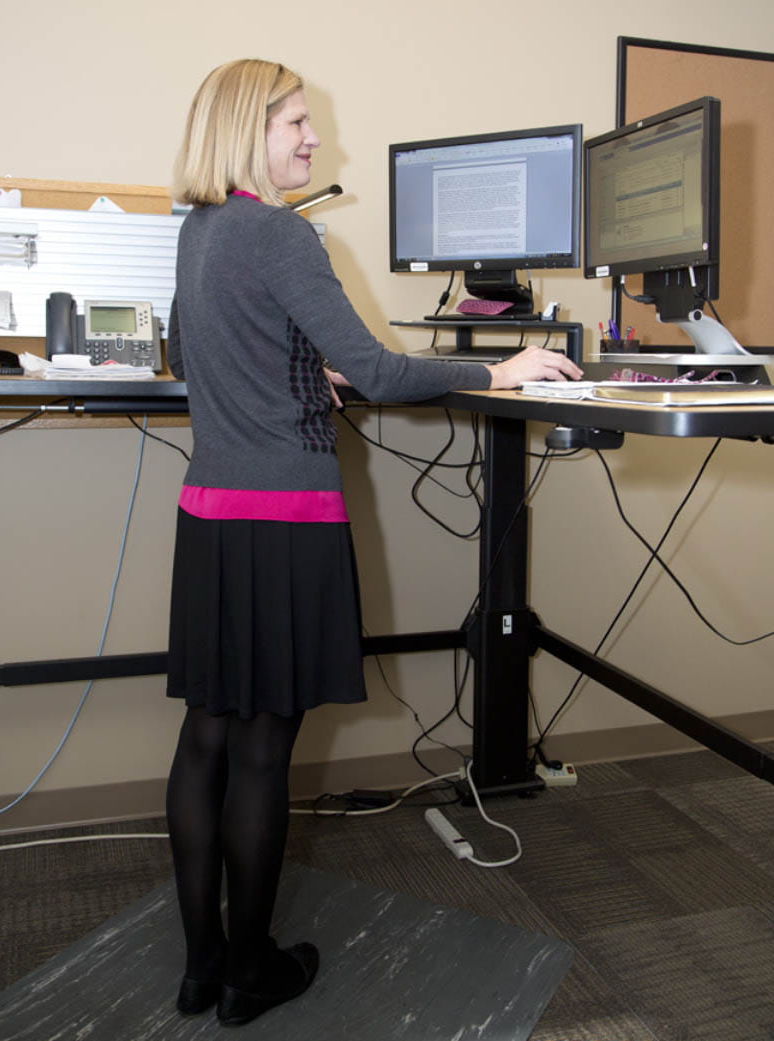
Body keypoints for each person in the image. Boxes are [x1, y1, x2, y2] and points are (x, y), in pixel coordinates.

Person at [164, 57, 582, 1028]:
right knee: (263, 752)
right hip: (282, 524)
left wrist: (294, 369)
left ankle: (198, 970)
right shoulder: (279, 233)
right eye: (296, 124)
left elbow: (194, 352)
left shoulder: (198, 231)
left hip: (209, 521)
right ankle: (249, 976)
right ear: (246, 130)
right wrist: (502, 366)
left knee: (205, 739)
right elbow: (383, 373)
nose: (313, 140)